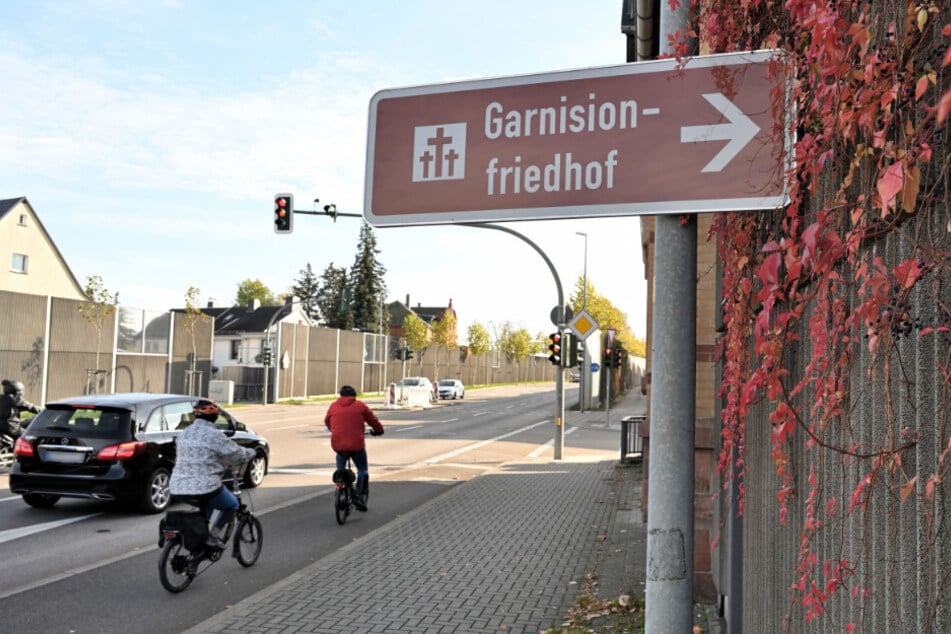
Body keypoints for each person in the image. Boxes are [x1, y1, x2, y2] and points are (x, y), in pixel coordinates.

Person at [170, 398, 255, 549]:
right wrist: (251, 453)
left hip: (177, 487)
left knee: (207, 503)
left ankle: (198, 536)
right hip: (206, 486)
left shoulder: (183, 433)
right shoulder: (215, 435)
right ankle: (212, 535)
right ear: (214, 417)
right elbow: (236, 454)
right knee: (232, 506)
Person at [324, 385, 383, 511]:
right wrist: (379, 430)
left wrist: (334, 430)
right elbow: (372, 420)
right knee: (362, 470)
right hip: (356, 445)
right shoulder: (360, 406)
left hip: (338, 445)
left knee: (341, 470)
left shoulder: (333, 406)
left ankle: (341, 486)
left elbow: (327, 422)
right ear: (354, 395)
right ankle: (360, 497)